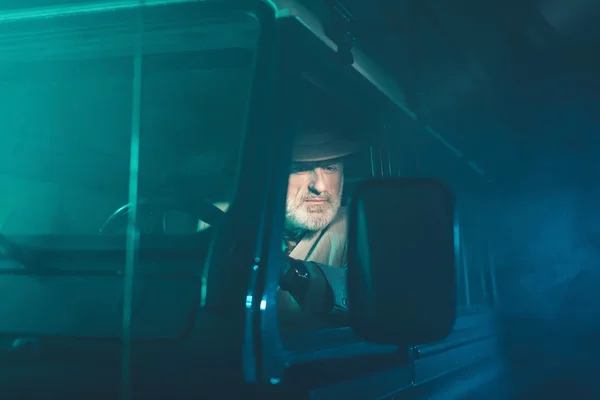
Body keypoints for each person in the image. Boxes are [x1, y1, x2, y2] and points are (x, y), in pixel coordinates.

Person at [278, 131, 361, 317]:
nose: (320, 186)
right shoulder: (226, 220)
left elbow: (374, 294)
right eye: (301, 168)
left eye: (330, 168)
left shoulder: (361, 227)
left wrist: (297, 277)